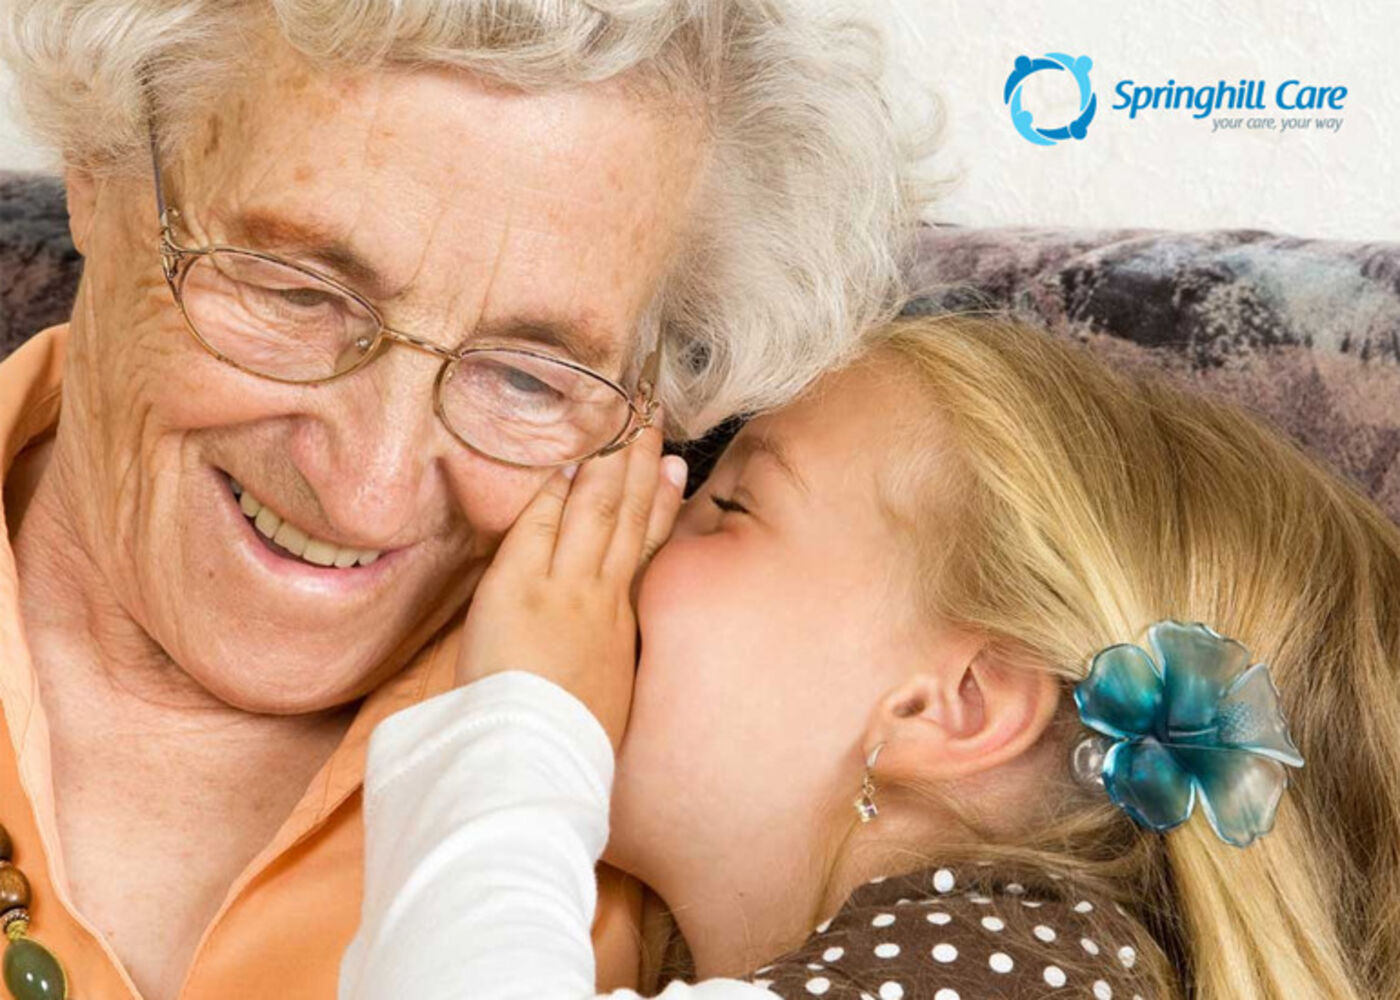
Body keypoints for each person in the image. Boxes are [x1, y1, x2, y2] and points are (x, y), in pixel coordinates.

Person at [0, 2, 920, 997]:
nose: (370, 490)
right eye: (297, 293)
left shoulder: (717, 775)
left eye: (528, 378)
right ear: (96, 166)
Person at [341, 314, 1400, 1000]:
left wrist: (516, 723)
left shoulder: (1007, 974)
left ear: (954, 702)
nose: (646, 520)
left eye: (730, 504)